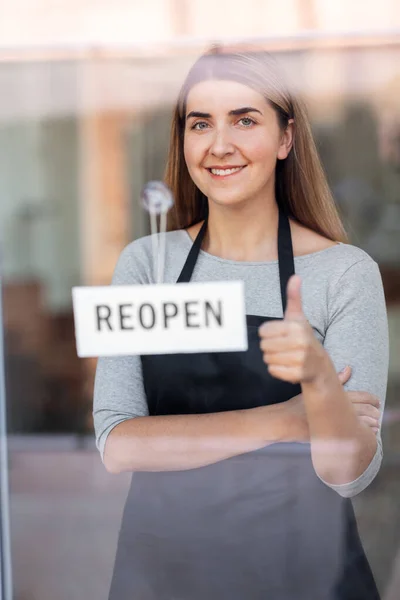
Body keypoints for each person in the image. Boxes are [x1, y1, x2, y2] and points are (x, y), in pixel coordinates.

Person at [93, 48, 389, 600]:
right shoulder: (146, 266)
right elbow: (118, 443)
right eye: (200, 123)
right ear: (182, 142)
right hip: (164, 576)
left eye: (245, 120)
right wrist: (287, 419)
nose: (219, 144)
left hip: (305, 576)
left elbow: (349, 473)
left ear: (285, 139)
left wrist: (320, 379)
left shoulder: (343, 274)